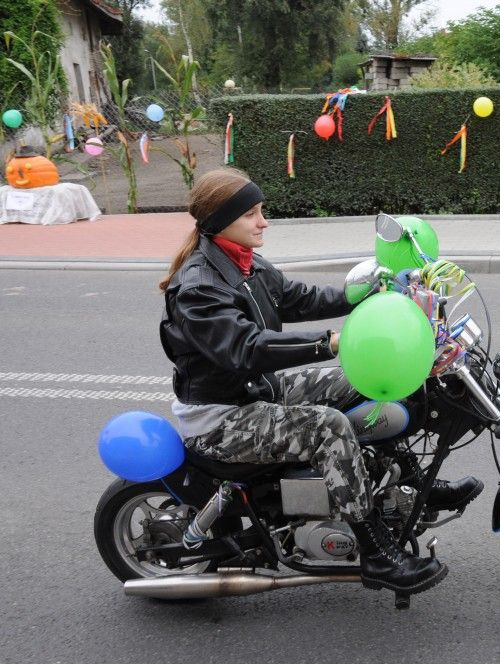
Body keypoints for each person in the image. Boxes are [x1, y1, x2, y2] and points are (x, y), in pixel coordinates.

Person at [158, 168, 481, 595]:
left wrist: (371, 293)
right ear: (221, 221)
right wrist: (329, 342)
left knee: (362, 380)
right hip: (220, 419)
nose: (263, 222)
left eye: (261, 211)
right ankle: (377, 554)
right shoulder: (199, 287)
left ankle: (413, 484)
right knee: (328, 427)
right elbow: (245, 348)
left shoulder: (242, 261)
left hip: (257, 391)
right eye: (252, 214)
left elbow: (298, 298)